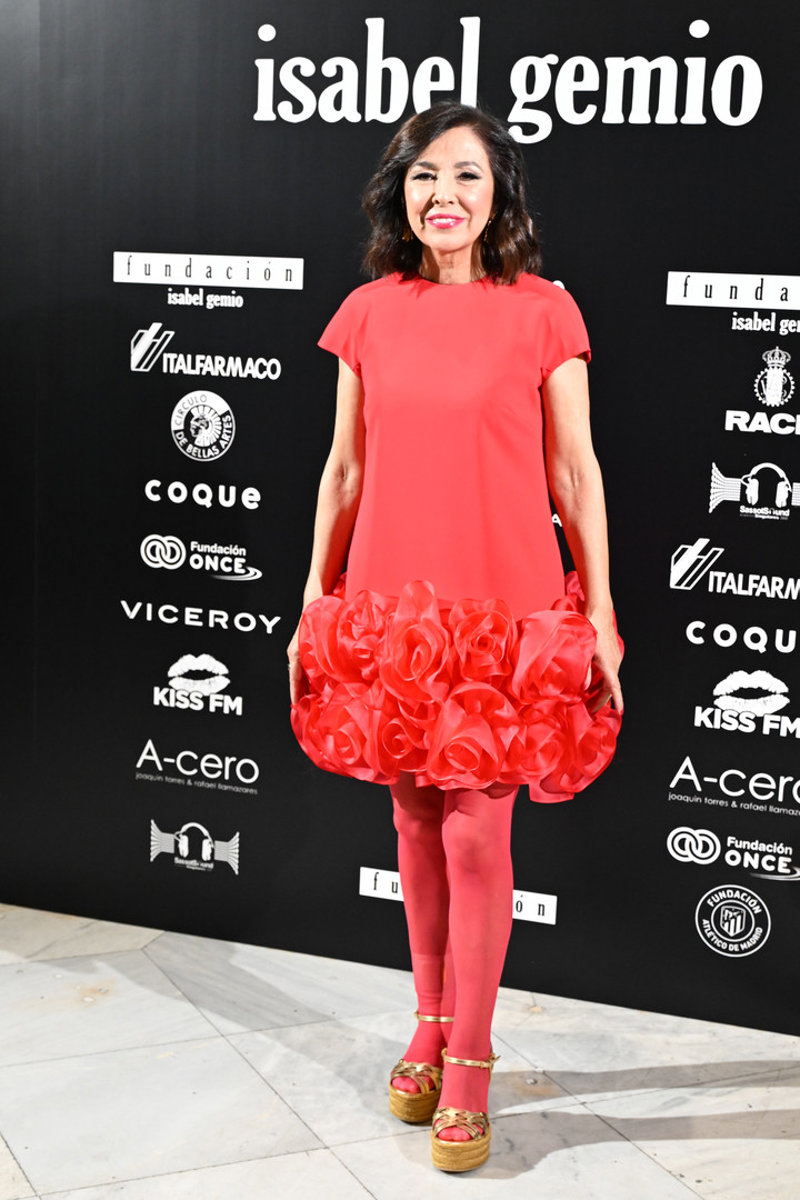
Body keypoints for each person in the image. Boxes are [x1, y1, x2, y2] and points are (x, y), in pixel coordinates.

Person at [288, 101, 623, 1173]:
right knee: (413, 823)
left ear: (499, 196)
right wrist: (314, 598)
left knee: (479, 836)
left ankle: (470, 1064)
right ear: (400, 191)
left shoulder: (543, 313)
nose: (445, 194)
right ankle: (428, 1027)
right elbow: (344, 468)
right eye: (425, 174)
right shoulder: (367, 313)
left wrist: (601, 612)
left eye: (467, 175)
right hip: (391, 610)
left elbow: (575, 473)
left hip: (504, 615)